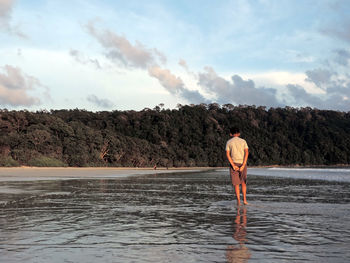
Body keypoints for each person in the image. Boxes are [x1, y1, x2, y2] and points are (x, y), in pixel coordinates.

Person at [226, 127, 249, 205]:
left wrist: (233, 165)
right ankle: (245, 200)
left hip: (234, 164)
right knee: (243, 183)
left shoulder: (229, 142)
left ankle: (238, 202)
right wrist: (243, 164)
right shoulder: (243, 141)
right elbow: (246, 153)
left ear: (231, 134)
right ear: (239, 133)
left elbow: (228, 155)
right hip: (243, 163)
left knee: (236, 184)